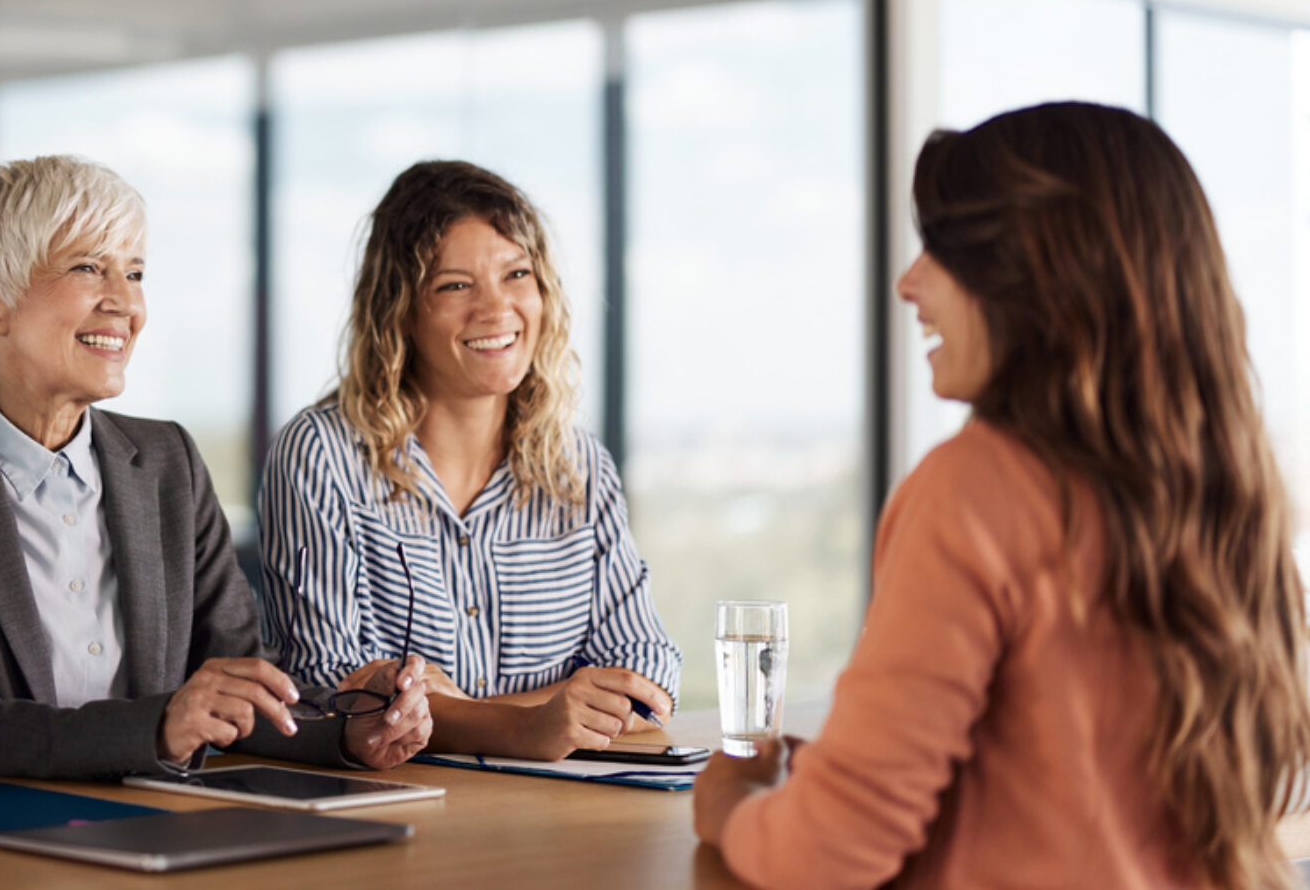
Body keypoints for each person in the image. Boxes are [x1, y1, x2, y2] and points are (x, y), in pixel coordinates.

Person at [693, 102, 1310, 890]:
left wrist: (733, 804)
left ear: (1041, 273)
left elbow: (828, 855)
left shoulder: (975, 490)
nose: (908, 283)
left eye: (944, 252)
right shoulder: (1228, 496)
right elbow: (1084, 795)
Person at [0, 154, 433, 780]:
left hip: (161, 829)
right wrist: (158, 727)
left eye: (135, 272)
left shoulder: (168, 461)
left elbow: (235, 684)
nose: (124, 304)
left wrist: (353, 724)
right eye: (88, 268)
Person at [258, 159, 680, 760]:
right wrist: (533, 725)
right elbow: (327, 690)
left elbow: (649, 674)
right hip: (401, 811)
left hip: (558, 819)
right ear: (399, 309)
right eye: (455, 285)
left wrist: (465, 714)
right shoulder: (322, 456)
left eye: (516, 274)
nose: (496, 309)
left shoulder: (579, 467)